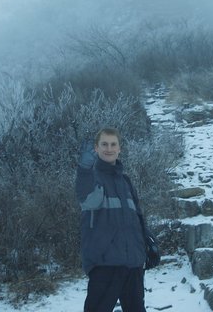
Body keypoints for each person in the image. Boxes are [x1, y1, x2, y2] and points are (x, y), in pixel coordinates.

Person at [75, 127, 159, 312]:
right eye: (104, 144)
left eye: (113, 144)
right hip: (105, 262)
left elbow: (137, 217)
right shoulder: (92, 177)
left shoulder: (126, 181)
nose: (109, 148)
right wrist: (84, 169)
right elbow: (87, 198)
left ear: (120, 148)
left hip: (133, 263)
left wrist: (147, 241)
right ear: (96, 148)